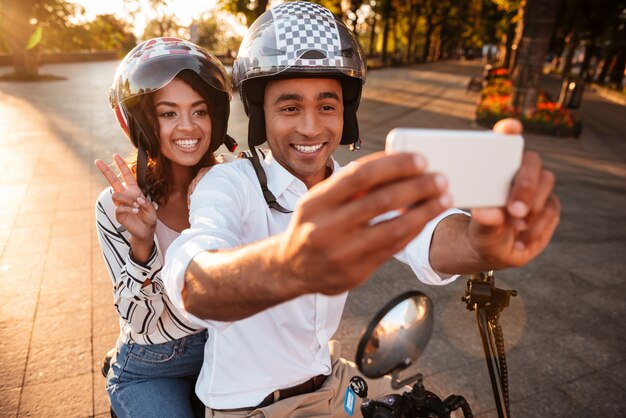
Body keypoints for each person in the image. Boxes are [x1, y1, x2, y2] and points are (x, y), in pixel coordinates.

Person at [163, 2, 560, 417]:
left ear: (346, 114)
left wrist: (481, 243)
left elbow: (429, 232)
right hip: (249, 409)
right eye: (290, 107)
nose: (312, 127)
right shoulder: (228, 183)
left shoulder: (353, 186)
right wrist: (290, 264)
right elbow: (194, 278)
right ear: (260, 114)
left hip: (332, 388)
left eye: (327, 106)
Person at [94, 37, 236, 418]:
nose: (187, 127)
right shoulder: (117, 205)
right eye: (168, 113)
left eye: (200, 111)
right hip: (151, 362)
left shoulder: (235, 184)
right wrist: (143, 244)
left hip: (228, 351)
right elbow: (137, 323)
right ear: (144, 121)